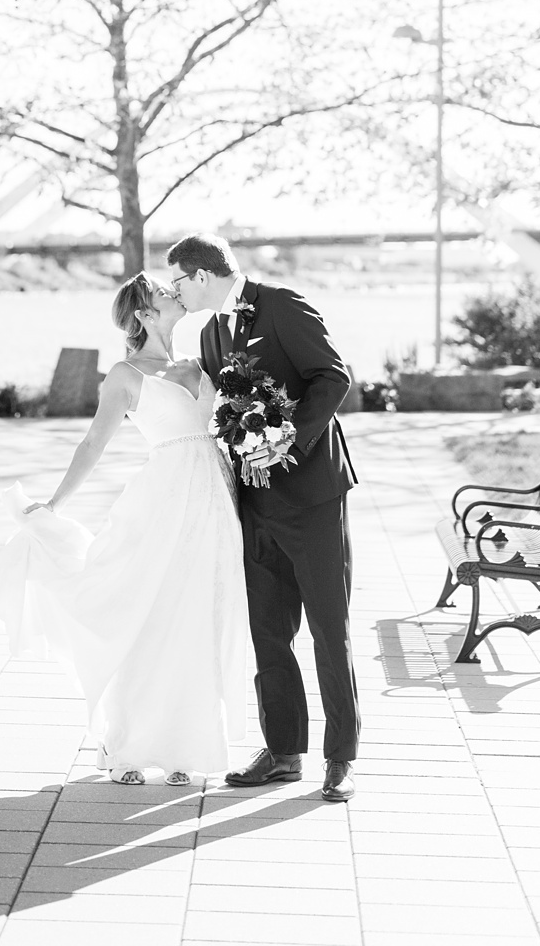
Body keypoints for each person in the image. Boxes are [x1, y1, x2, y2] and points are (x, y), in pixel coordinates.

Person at [0, 272, 254, 785]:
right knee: (148, 616)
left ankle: (184, 745)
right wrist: (54, 502)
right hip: (163, 501)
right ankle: (126, 745)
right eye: (162, 292)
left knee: (198, 618)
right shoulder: (126, 374)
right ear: (143, 314)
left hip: (213, 502)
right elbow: (93, 443)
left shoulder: (199, 363)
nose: (174, 294)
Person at [165, 232, 360, 801]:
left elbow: (333, 377)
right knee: (268, 632)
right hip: (254, 503)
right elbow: (223, 409)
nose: (176, 292)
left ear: (202, 275)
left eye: (178, 280)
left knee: (329, 629)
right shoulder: (208, 332)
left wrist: (289, 441)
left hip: (314, 494)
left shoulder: (282, 305)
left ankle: (341, 757)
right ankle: (283, 751)